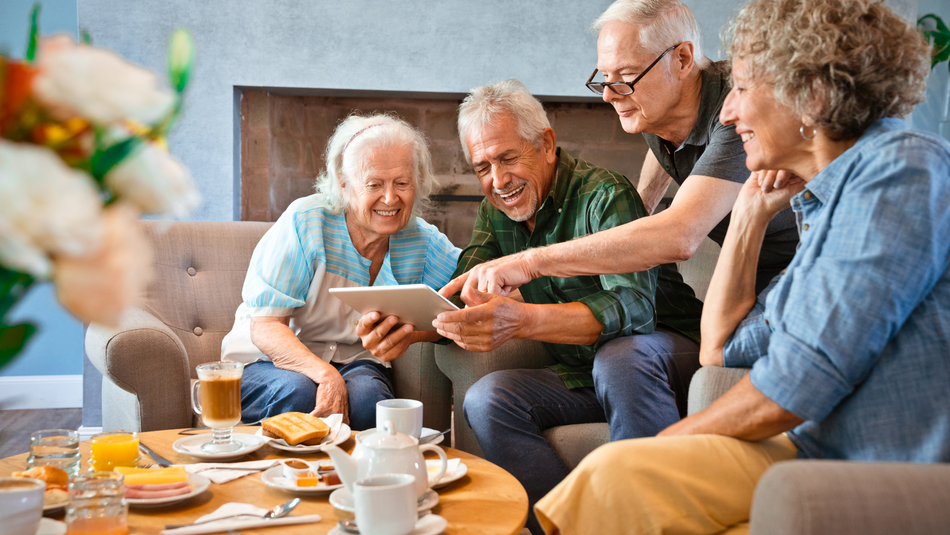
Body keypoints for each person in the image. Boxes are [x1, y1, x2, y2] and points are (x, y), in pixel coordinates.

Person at [533, 0, 950, 533]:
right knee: (611, 477)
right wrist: (750, 214)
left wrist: (662, 447)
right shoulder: (822, 207)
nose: (727, 113)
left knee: (623, 471)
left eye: (744, 88)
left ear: (811, 97)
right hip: (814, 448)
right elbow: (720, 348)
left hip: (878, 461)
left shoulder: (900, 171)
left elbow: (798, 383)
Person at [357, 78, 701, 535]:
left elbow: (633, 311)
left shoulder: (605, 194)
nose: (498, 181)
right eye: (483, 167)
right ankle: (566, 527)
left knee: (619, 358)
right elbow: (461, 296)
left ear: (547, 144)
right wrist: (408, 325)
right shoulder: (496, 211)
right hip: (584, 372)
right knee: (488, 399)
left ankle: (648, 524)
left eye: (507, 158)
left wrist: (522, 320)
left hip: (666, 355)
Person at [448, 0, 798, 301]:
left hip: (805, 266)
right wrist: (640, 208)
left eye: (625, 76)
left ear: (682, 59)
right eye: (604, 77)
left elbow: (681, 235)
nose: (609, 95)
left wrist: (529, 263)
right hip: (757, 273)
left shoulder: (738, 112)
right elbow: (663, 146)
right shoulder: (653, 108)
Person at [220, 114, 460, 430]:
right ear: (344, 184)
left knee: (370, 403)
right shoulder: (307, 222)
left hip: (356, 362)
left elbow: (468, 293)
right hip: (266, 361)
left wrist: (413, 335)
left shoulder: (423, 242)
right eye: (374, 184)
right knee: (300, 394)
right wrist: (326, 375)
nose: (391, 198)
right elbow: (266, 326)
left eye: (402, 183)